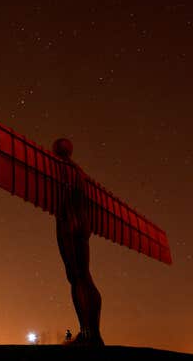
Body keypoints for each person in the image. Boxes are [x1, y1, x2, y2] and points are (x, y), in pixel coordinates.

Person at [53, 138, 105, 346]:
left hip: (69, 220)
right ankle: (93, 332)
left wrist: (68, 216)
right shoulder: (81, 173)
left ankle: (87, 334)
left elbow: (64, 190)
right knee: (85, 275)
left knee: (76, 277)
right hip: (84, 224)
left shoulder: (59, 167)